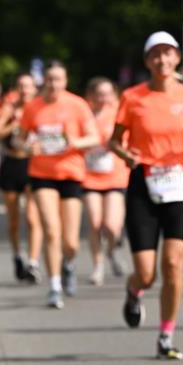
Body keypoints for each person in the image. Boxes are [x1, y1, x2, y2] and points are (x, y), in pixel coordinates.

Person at [110, 31, 183, 359]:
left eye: (168, 53)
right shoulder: (133, 97)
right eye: (155, 55)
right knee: (147, 273)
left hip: (178, 182)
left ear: (177, 57)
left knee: (173, 262)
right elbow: (114, 141)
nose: (163, 60)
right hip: (143, 185)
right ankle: (134, 291)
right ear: (147, 61)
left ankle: (166, 335)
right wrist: (125, 155)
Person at [19, 61, 99, 309]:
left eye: (59, 79)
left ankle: (68, 264)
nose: (54, 84)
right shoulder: (33, 107)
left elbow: (95, 137)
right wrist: (28, 147)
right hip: (42, 174)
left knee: (71, 241)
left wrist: (75, 141)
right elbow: (21, 141)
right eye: (50, 79)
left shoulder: (77, 105)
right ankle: (54, 286)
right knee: (51, 229)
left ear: (65, 81)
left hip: (71, 175)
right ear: (44, 80)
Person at [0, 74, 44, 283]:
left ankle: (33, 262)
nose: (25, 90)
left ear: (34, 88)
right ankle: (17, 256)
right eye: (21, 86)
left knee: (32, 216)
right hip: (12, 164)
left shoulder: (40, 108)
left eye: (28, 86)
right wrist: (14, 126)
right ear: (16, 89)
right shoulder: (10, 109)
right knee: (13, 220)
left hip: (32, 164)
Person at [82, 77, 129, 285]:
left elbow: (127, 140)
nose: (103, 98)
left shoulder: (118, 115)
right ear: (91, 96)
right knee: (94, 222)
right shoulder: (84, 116)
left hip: (115, 176)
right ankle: (98, 266)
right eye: (99, 94)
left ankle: (111, 251)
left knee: (111, 225)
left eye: (107, 93)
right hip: (89, 176)